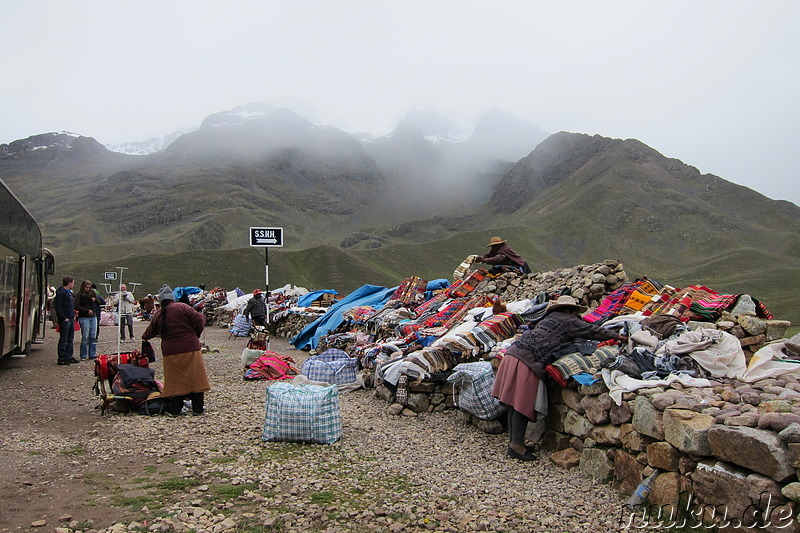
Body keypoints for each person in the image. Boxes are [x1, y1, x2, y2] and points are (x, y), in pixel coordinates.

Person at [492, 295, 627, 461]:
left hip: (512, 354)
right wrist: (619, 337)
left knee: (513, 402)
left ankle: (514, 442)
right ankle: (516, 446)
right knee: (522, 402)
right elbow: (592, 331)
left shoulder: (548, 319)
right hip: (527, 360)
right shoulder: (568, 320)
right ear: (570, 310)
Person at [142, 284, 210, 416]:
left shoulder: (159, 314)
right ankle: (198, 408)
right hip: (190, 347)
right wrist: (195, 335)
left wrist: (144, 338)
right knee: (195, 379)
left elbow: (150, 331)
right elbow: (199, 320)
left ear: (161, 300)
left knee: (175, 381)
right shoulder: (183, 307)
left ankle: (176, 409)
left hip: (170, 351)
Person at [53, 275, 78, 365]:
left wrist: (73, 314)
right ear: (69, 283)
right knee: (64, 339)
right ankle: (62, 358)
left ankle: (69, 356)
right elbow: (58, 307)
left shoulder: (70, 293)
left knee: (70, 339)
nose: (73, 285)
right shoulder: (61, 293)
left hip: (71, 318)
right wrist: (64, 318)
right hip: (65, 320)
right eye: (73, 283)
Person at [74, 280, 99, 361]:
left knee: (93, 336)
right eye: (86, 287)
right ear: (83, 287)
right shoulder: (79, 294)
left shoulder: (93, 293)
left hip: (93, 316)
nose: (87, 289)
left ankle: (92, 353)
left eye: (89, 287)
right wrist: (86, 310)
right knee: (85, 336)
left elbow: (99, 302)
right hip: (84, 316)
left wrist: (95, 300)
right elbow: (76, 305)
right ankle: (83, 354)